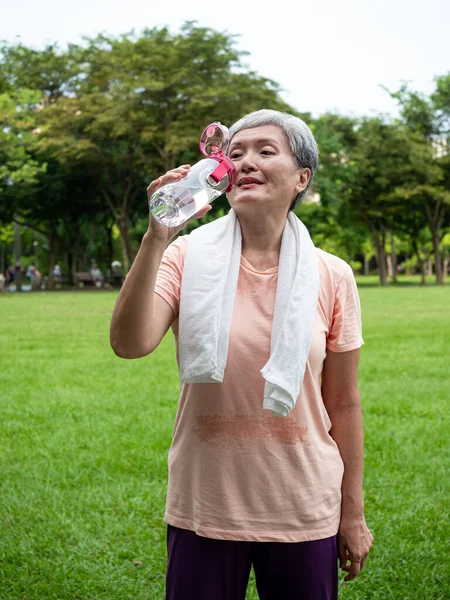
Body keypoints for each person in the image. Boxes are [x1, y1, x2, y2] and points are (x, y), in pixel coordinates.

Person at [110, 109, 373, 600]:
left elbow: (344, 403)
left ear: (302, 178)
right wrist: (157, 236)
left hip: (303, 503)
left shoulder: (332, 274)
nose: (246, 161)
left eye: (265, 151)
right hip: (205, 504)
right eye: (235, 154)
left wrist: (351, 512)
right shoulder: (185, 255)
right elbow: (130, 343)